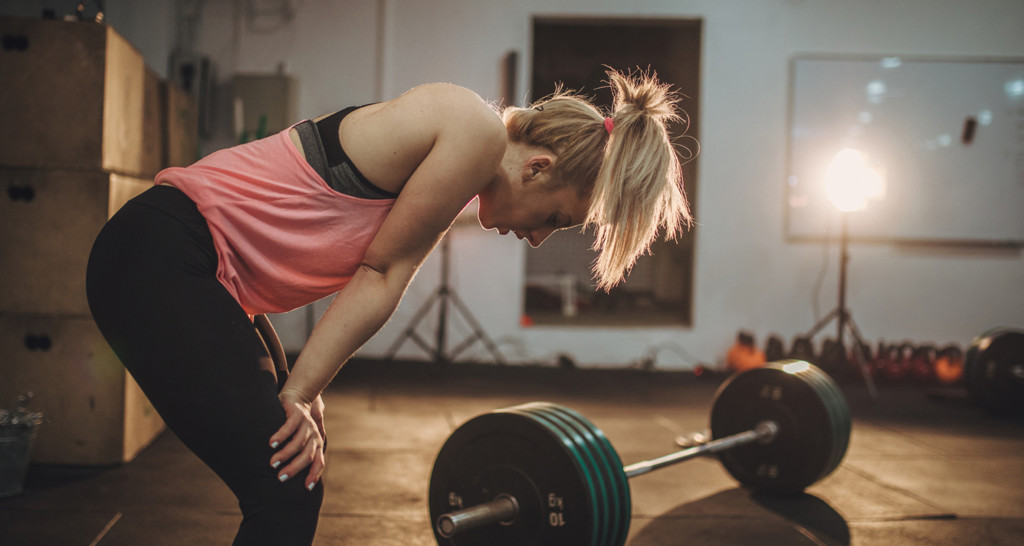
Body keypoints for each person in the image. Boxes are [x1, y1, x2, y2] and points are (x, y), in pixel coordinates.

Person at [85, 68, 692, 545]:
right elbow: (381, 273)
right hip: (160, 255)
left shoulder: (463, 153)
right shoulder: (473, 132)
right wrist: (297, 392)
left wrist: (306, 388)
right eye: (557, 220)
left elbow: (337, 267)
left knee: (293, 475)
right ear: (539, 167)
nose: (538, 239)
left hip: (192, 268)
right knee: (286, 486)